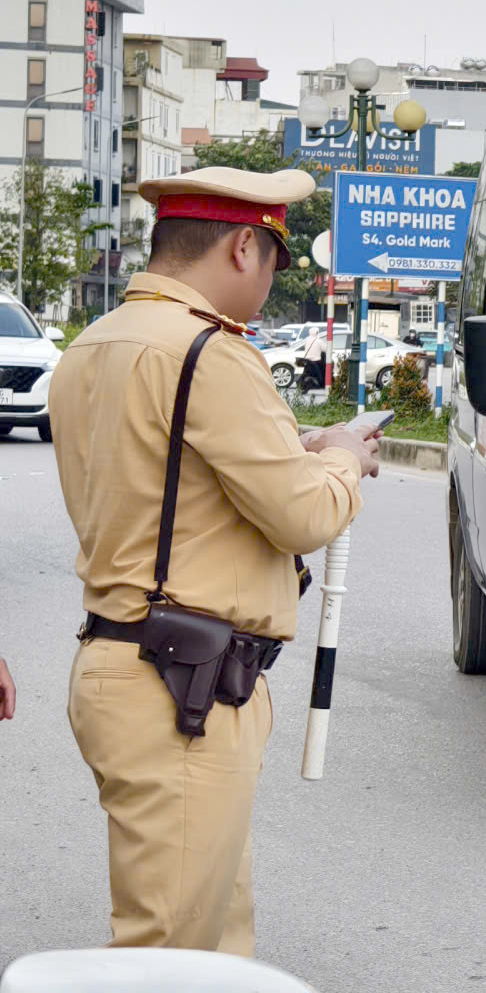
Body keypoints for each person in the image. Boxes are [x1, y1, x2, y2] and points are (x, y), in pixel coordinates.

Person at [49, 166, 381, 955]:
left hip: (133, 665)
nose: (269, 284)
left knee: (209, 942)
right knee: (168, 952)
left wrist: (288, 452)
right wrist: (339, 460)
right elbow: (303, 517)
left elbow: (162, 484)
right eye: (273, 260)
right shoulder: (209, 354)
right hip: (180, 686)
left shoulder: (92, 346)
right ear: (242, 247)